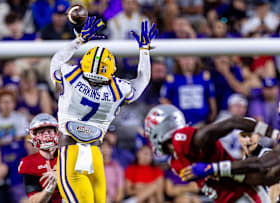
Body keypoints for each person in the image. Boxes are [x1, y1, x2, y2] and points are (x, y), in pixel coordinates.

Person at [50, 16, 158, 203]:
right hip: (95, 156)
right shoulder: (118, 89)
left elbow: (56, 60)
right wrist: (144, 52)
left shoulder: (71, 76)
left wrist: (79, 41)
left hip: (71, 153)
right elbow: (142, 81)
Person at [144, 104, 280, 202]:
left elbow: (233, 122)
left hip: (243, 196)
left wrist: (274, 134)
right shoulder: (175, 162)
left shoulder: (183, 141)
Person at [18, 113, 62, 203]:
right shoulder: (29, 163)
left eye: (49, 131)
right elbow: (34, 200)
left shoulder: (67, 154)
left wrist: (61, 176)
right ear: (33, 136)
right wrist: (50, 188)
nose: (46, 135)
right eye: (41, 132)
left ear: (56, 133)